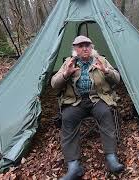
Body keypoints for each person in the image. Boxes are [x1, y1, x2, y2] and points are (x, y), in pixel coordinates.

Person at [51, 35, 124, 179]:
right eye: (80, 46)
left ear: (92, 48)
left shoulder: (101, 60)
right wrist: (66, 74)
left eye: (87, 45)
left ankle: (111, 158)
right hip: (76, 101)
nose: (84, 48)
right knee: (67, 118)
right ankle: (74, 166)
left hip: (97, 99)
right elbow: (54, 84)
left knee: (106, 114)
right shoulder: (69, 62)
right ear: (75, 49)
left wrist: (106, 71)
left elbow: (118, 79)